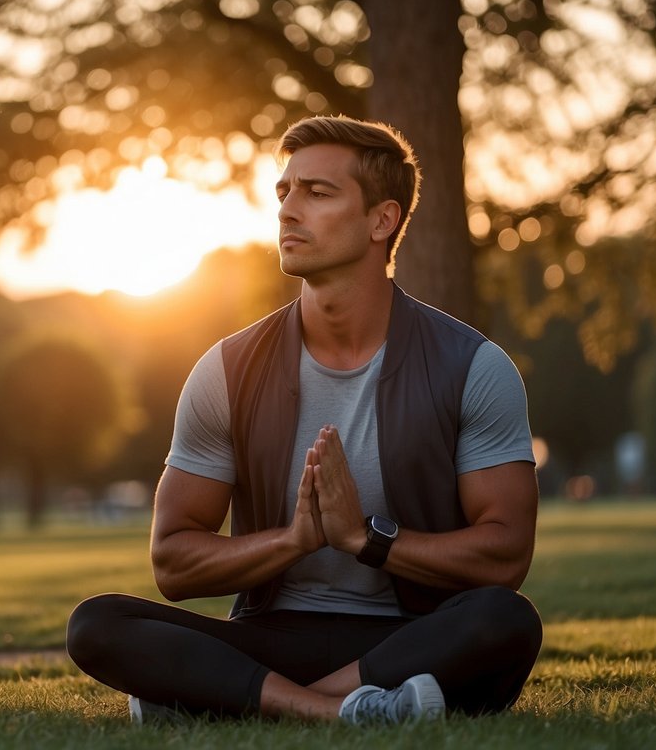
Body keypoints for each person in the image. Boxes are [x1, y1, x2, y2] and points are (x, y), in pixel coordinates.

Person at [66, 115, 542, 725]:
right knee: (98, 623)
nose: (289, 210)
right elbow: (173, 563)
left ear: (382, 220)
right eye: (284, 192)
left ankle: (233, 700)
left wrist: (365, 539)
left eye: (318, 193)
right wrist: (294, 541)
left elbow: (505, 556)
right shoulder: (226, 371)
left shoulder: (473, 367)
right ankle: (349, 710)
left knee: (504, 619)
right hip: (273, 634)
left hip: (408, 635)